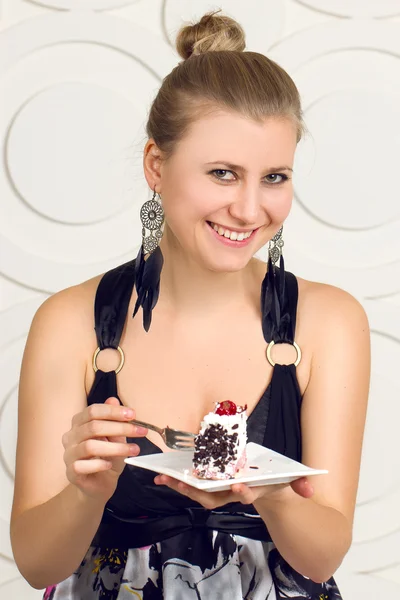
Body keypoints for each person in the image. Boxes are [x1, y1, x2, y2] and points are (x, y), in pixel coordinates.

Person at [10, 10, 370, 600]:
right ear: (158, 166)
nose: (252, 210)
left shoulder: (329, 323)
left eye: (274, 176)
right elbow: (35, 565)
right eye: (223, 173)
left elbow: (323, 554)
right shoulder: (71, 323)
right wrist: (85, 493)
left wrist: (270, 491)